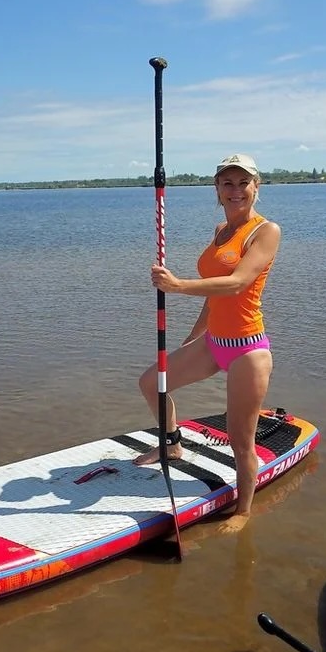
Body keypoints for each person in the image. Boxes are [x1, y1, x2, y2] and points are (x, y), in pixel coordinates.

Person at [134, 153, 281, 535]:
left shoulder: (265, 231)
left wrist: (177, 285)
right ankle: (171, 443)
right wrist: (192, 337)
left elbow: (237, 283)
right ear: (217, 188)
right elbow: (215, 296)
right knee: (152, 383)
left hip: (248, 349)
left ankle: (243, 511)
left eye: (243, 183)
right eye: (227, 183)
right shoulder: (220, 230)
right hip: (214, 341)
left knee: (240, 440)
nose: (235, 190)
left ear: (256, 187)